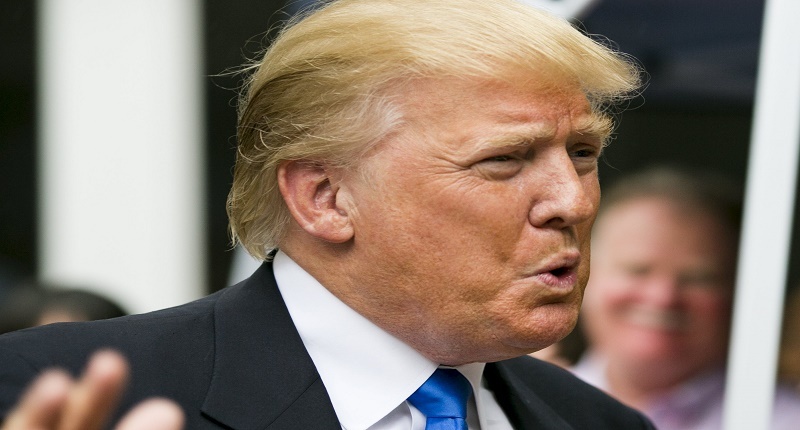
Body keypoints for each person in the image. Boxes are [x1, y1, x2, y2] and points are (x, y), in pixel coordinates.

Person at [0, 0, 651, 428]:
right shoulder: (59, 393)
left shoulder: (598, 422)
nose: (572, 199)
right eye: (505, 159)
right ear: (325, 198)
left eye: (583, 152)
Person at [573, 166, 800, 429]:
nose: (663, 297)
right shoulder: (527, 404)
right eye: (637, 270)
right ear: (583, 273)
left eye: (698, 278)